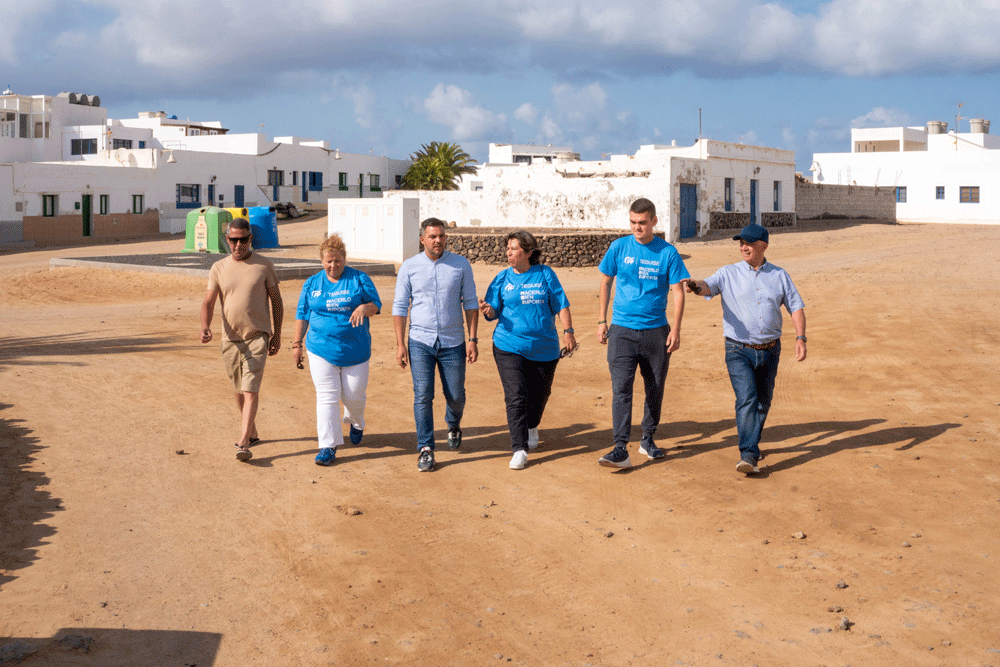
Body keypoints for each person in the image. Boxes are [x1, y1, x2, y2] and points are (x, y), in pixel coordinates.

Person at [685, 223, 806, 474]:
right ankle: (749, 454)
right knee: (747, 398)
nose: (744, 247)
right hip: (738, 349)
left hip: (771, 350)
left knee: (764, 401)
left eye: (749, 243)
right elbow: (708, 286)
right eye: (741, 243)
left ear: (764, 246)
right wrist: (695, 285)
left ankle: (752, 443)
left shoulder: (780, 275)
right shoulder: (728, 273)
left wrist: (801, 337)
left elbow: (795, 306)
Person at [595, 198, 689, 469]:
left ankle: (648, 439)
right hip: (622, 330)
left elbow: (677, 291)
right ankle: (620, 447)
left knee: (654, 388)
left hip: (656, 332)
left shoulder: (668, 252)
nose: (638, 227)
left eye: (643, 223)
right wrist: (602, 320)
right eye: (633, 223)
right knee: (621, 389)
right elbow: (606, 281)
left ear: (654, 222)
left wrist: (677, 330)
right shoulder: (618, 247)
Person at [479, 231, 577, 470]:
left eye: (514, 249)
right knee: (516, 396)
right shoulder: (502, 278)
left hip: (544, 347)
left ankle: (532, 425)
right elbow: (492, 310)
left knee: (540, 395)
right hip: (508, 345)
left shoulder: (545, 274)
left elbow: (561, 303)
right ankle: (519, 448)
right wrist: (487, 310)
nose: (508, 253)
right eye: (508, 248)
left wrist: (568, 331)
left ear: (529, 252)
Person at [392, 218, 479, 472]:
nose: (438, 240)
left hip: (454, 341)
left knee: (456, 395)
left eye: (441, 236)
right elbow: (399, 307)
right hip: (420, 340)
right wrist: (400, 344)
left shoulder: (460, 265)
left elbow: (471, 303)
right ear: (422, 240)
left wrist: (472, 339)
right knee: (423, 395)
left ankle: (453, 424)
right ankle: (426, 448)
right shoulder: (409, 267)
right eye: (432, 236)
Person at [292, 234, 382, 466]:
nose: (333, 266)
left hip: (356, 349)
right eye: (328, 261)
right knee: (327, 396)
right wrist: (296, 343)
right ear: (322, 261)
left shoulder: (359, 279)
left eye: (338, 261)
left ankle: (356, 421)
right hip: (320, 348)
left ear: (345, 259)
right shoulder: (312, 283)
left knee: (353, 396)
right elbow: (302, 315)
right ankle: (328, 446)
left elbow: (376, 305)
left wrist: (364, 307)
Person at [200, 218, 283, 462]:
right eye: (233, 240)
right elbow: (208, 301)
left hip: (257, 336)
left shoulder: (264, 265)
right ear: (227, 240)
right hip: (230, 339)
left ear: (250, 239)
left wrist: (276, 334)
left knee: (249, 389)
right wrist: (205, 326)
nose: (238, 245)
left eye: (243, 239)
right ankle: (253, 431)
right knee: (238, 389)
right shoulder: (218, 268)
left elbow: (276, 301)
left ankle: (244, 441)